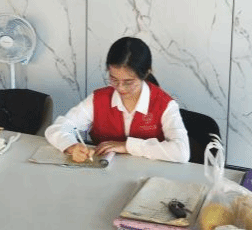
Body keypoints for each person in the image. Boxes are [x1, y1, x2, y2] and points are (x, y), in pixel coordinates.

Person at [45, 37, 190, 163]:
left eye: (128, 82)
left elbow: (182, 152)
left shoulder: (164, 104)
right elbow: (57, 129)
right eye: (114, 79)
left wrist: (127, 146)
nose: (120, 88)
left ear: (146, 73)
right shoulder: (99, 99)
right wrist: (71, 146)